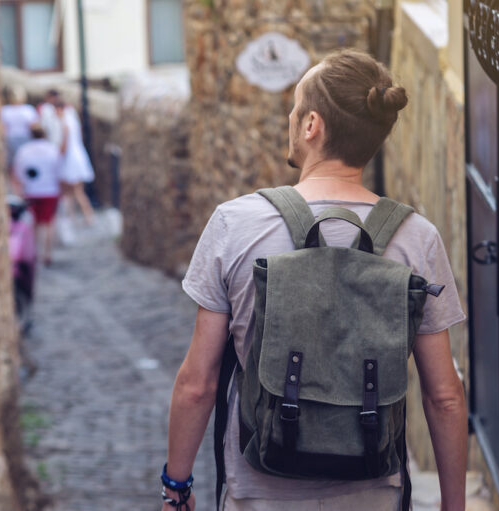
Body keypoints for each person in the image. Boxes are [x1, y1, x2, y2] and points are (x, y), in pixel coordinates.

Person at [162, 49, 468, 511]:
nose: (289, 117)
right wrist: (454, 506)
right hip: (372, 490)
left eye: (294, 106)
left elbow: (198, 384)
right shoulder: (416, 238)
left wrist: (176, 488)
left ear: (311, 125)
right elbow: (444, 396)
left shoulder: (235, 223)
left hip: (259, 491)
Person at [12, 124, 62, 266]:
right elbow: (59, 170)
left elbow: (18, 173)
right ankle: (48, 253)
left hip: (31, 191)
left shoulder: (24, 151)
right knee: (48, 223)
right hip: (50, 191)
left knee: (34, 223)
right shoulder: (53, 149)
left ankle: (35, 252)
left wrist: (20, 191)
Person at [43, 100, 95, 225]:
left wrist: (56, 155)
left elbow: (65, 145)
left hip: (70, 160)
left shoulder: (65, 122)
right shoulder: (71, 120)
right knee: (74, 191)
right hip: (75, 157)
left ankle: (83, 217)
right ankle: (79, 217)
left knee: (73, 191)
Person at [1, 85, 39, 173]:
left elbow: (3, 127)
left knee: (15, 162)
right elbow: (34, 126)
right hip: (21, 138)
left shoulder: (5, 110)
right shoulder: (28, 110)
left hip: (13, 139)